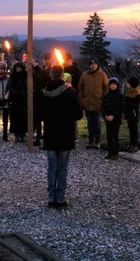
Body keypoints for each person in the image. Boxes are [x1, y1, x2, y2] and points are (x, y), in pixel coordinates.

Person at [41, 64, 82, 208]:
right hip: (65, 134)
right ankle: (60, 198)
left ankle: (51, 197)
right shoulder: (70, 93)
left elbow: (40, 114)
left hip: (51, 134)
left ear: (51, 75)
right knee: (63, 167)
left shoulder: (45, 93)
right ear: (62, 74)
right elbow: (78, 114)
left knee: (52, 167)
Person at [78, 57, 108, 149]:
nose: (93, 65)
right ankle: (90, 141)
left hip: (97, 104)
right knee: (90, 123)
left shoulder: (102, 75)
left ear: (97, 64)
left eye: (95, 64)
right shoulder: (84, 75)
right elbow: (80, 88)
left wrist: (102, 99)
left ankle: (97, 141)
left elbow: (106, 88)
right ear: (89, 65)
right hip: (87, 103)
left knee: (97, 123)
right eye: (91, 64)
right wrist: (82, 99)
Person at [101, 77, 125, 160]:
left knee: (115, 135)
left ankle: (116, 153)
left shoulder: (120, 96)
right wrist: (105, 116)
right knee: (109, 136)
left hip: (116, 118)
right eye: (111, 84)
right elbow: (102, 107)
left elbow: (121, 107)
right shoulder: (106, 96)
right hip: (108, 118)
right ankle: (110, 152)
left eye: (114, 84)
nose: (112, 86)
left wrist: (113, 116)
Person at [124, 77, 140, 153]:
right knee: (131, 129)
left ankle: (134, 144)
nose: (127, 84)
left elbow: (136, 105)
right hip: (129, 113)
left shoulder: (136, 94)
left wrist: (126, 104)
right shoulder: (129, 92)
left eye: (128, 83)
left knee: (134, 130)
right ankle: (131, 144)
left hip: (133, 114)